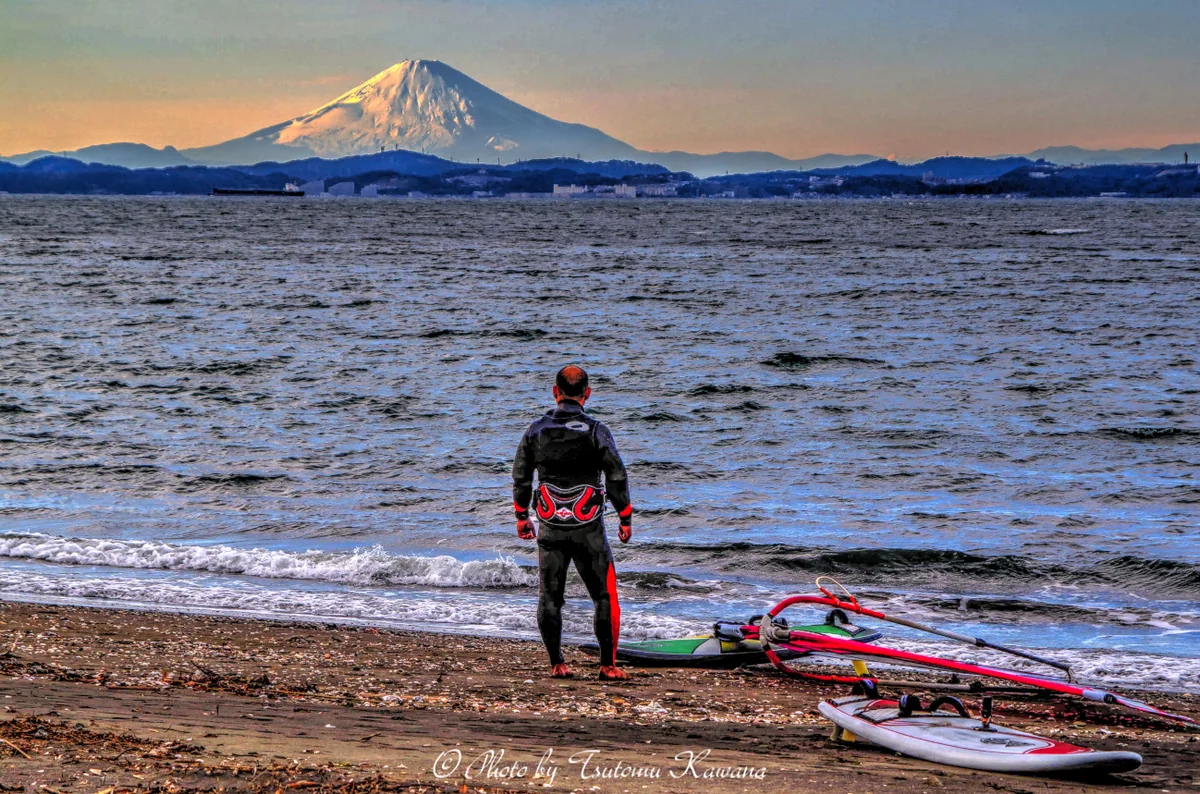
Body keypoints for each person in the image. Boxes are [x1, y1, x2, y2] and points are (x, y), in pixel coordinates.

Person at [512, 365, 633, 680]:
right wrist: (625, 516)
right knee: (604, 596)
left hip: (550, 525)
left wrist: (522, 515)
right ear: (587, 394)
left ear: (555, 392)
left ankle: (557, 663)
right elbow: (617, 473)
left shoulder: (535, 431)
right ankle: (607, 666)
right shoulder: (596, 430)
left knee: (550, 596)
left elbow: (521, 476)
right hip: (589, 528)